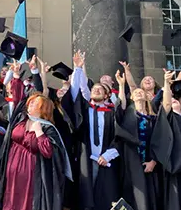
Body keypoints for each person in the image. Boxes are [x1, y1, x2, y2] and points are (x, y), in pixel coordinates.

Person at [0, 85, 72, 210]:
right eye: (30, 102)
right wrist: (16, 78)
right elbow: (18, 99)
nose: (30, 104)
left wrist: (39, 133)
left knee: (26, 202)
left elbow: (48, 152)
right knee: (10, 201)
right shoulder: (21, 119)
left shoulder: (47, 127)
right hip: (12, 169)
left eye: (34, 103)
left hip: (31, 173)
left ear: (43, 108)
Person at [71, 52, 120, 210]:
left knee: (106, 199)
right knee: (86, 197)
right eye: (95, 88)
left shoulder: (112, 113)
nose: (97, 90)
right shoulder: (85, 110)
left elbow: (119, 136)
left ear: (107, 95)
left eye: (100, 89)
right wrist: (78, 69)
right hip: (87, 158)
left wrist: (108, 155)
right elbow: (80, 89)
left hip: (106, 159)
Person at [115, 71, 164, 210]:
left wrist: (154, 161)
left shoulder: (153, 118)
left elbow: (159, 140)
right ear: (131, 97)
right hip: (131, 161)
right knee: (134, 195)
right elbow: (121, 104)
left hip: (150, 163)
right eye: (135, 92)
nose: (138, 93)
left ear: (146, 96)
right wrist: (121, 85)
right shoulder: (128, 114)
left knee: (150, 197)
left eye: (140, 92)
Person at [154, 70, 181, 210]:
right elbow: (167, 104)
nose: (174, 100)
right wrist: (166, 82)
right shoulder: (170, 117)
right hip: (176, 166)